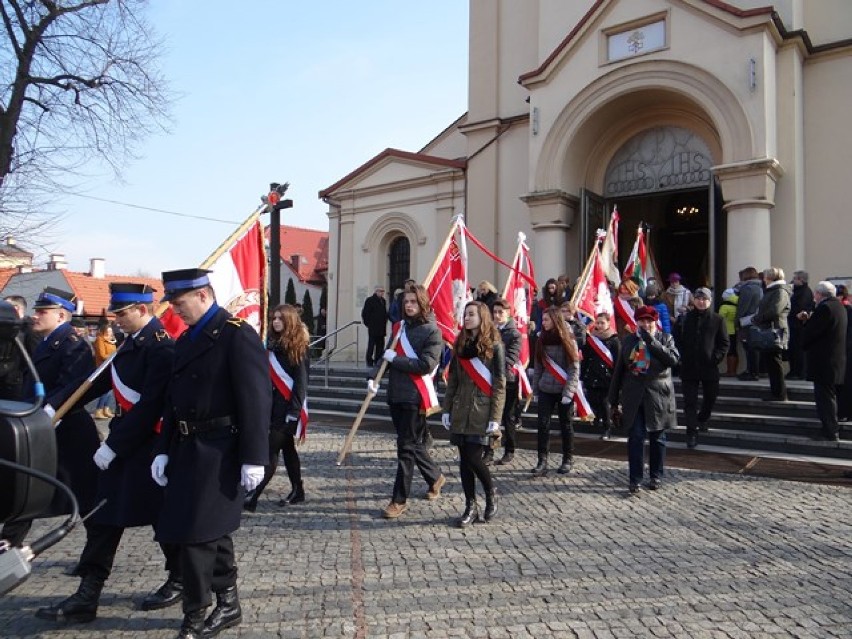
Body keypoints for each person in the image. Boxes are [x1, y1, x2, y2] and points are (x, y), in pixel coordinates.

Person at [35, 283, 181, 623]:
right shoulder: (130, 345)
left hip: (149, 447)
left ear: (143, 310)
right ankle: (88, 594)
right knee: (103, 518)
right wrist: (52, 408)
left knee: (164, 519)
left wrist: (114, 445)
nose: (115, 320)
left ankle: (180, 577)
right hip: (124, 445)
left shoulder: (161, 349)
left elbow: (151, 407)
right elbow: (92, 383)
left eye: (122, 313)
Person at [150, 268, 271, 639]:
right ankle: (229, 603)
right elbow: (174, 401)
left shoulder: (236, 336)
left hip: (222, 450)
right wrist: (162, 450)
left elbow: (255, 398)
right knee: (209, 532)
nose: (175, 310)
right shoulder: (186, 340)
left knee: (197, 537)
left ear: (203, 295)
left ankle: (196, 614)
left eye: (180, 302)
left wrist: (255, 456)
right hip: (187, 448)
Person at [1, 288, 99, 551]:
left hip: (69, 431)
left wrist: (48, 409)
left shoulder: (73, 345)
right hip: (42, 430)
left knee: (87, 495)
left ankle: (96, 558)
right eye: (36, 310)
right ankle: (8, 545)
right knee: (27, 487)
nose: (36, 316)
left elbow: (73, 384)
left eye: (43, 312)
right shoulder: (44, 342)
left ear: (61, 316)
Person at [369, 284, 445, 520]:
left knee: (405, 449)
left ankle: (399, 500)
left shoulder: (432, 331)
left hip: (415, 397)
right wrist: (373, 377)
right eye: (406, 302)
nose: (409, 305)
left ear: (422, 303)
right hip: (395, 394)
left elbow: (426, 365)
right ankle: (435, 477)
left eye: (413, 302)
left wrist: (397, 359)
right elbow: (387, 356)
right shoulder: (399, 327)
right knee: (410, 443)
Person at [441, 301, 506, 526]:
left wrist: (495, 419)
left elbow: (499, 384)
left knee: (473, 457)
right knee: (463, 460)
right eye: (465, 314)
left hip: (482, 410)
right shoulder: (460, 344)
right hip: (461, 408)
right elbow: (454, 381)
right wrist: (446, 408)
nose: (467, 318)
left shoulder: (495, 345)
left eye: (471, 314)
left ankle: (490, 492)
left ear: (482, 317)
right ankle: (470, 505)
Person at [244, 304, 309, 512]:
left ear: (290, 321)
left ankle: (252, 495)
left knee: (269, 452)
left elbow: (301, 384)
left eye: (281, 318)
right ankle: (298, 490)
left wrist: (294, 412)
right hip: (271, 408)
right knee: (288, 450)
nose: (276, 322)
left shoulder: (298, 348)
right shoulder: (272, 346)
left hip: (287, 409)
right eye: (274, 318)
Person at [609, 305, 680, 494]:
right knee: (636, 437)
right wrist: (613, 399)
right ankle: (635, 479)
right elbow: (619, 370)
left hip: (658, 395)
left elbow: (672, 360)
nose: (646, 324)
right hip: (634, 395)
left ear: (655, 321)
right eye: (642, 321)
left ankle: (656, 476)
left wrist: (651, 342)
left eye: (649, 321)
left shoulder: (666, 338)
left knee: (657, 438)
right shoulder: (629, 340)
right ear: (637, 322)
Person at [675, 288, 729, 448]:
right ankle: (691, 432)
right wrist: (680, 358)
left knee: (710, 398)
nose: (701, 301)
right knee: (689, 402)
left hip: (709, 367)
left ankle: (703, 418)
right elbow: (675, 340)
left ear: (710, 301)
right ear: (693, 300)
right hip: (689, 367)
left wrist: (715, 358)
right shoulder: (684, 319)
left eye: (704, 299)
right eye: (698, 298)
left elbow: (724, 343)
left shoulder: (718, 319)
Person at [531, 307, 580, 476]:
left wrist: (568, 392)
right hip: (545, 388)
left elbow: (574, 368)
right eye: (542, 319)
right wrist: (535, 390)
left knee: (566, 425)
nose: (542, 323)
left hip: (563, 389)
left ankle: (568, 458)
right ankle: (542, 460)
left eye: (546, 320)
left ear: (555, 320)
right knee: (542, 425)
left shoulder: (568, 339)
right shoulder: (541, 340)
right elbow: (538, 367)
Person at [799, 281, 847, 441]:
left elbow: (812, 333)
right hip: (835, 360)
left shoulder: (824, 308)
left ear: (819, 294)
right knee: (829, 396)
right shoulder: (839, 307)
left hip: (824, 361)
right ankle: (831, 429)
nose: (814, 297)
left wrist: (805, 322)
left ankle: (830, 431)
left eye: (815, 294)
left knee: (824, 398)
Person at [750, 267, 792, 402]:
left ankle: (780, 393)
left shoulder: (780, 291)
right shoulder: (772, 291)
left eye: (765, 277)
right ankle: (776, 392)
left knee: (775, 363)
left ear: (769, 278)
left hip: (775, 330)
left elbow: (775, 310)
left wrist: (758, 318)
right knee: (772, 363)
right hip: (769, 329)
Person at [491, 298, 522, 465]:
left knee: (508, 416)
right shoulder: (490, 330)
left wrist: (492, 365)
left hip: (507, 380)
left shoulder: (514, 334)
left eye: (500, 312)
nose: (496, 315)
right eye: (494, 312)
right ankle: (489, 450)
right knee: (490, 415)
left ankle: (509, 450)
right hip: (489, 379)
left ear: (508, 313)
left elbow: (511, 358)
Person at [581, 311, 621, 440]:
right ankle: (597, 417)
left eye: (602, 323)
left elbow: (618, 360)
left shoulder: (614, 340)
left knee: (605, 403)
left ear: (608, 323)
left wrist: (617, 378)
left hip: (607, 377)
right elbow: (586, 357)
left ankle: (607, 428)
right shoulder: (592, 339)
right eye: (597, 322)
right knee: (593, 399)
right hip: (592, 375)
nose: (599, 325)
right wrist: (582, 374)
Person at [736, 266, 764, 380]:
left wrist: (737, 321)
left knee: (749, 348)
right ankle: (754, 371)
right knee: (754, 348)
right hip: (757, 321)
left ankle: (752, 372)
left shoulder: (747, 288)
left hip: (747, 321)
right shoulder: (760, 287)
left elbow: (743, 307)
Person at [787, 270, 814, 380]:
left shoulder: (804, 292)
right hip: (794, 325)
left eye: (795, 278)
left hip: (798, 326)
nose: (793, 280)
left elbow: (798, 308)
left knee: (797, 350)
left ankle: (798, 372)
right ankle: (794, 371)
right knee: (793, 350)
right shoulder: (798, 290)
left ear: (801, 280)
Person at [92, 322, 117, 419]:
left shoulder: (111, 340)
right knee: (104, 391)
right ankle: (99, 409)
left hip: (111, 366)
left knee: (110, 390)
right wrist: (114, 356)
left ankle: (106, 408)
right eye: (108, 331)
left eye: (111, 331)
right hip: (103, 367)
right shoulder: (100, 339)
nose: (110, 333)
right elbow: (102, 355)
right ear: (103, 331)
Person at [361, 285, 388, 366]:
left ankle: (378, 360)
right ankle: (369, 360)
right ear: (376, 291)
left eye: (383, 291)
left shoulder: (383, 301)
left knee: (380, 345)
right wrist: (368, 323)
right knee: (371, 345)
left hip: (381, 327)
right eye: (380, 291)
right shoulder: (370, 300)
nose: (382, 293)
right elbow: (365, 313)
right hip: (373, 327)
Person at [718, 288, 739, 376]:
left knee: (730, 350)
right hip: (735, 329)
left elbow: (719, 318)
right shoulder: (738, 303)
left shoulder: (725, 306)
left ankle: (730, 371)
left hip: (727, 330)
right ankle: (733, 370)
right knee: (734, 349)